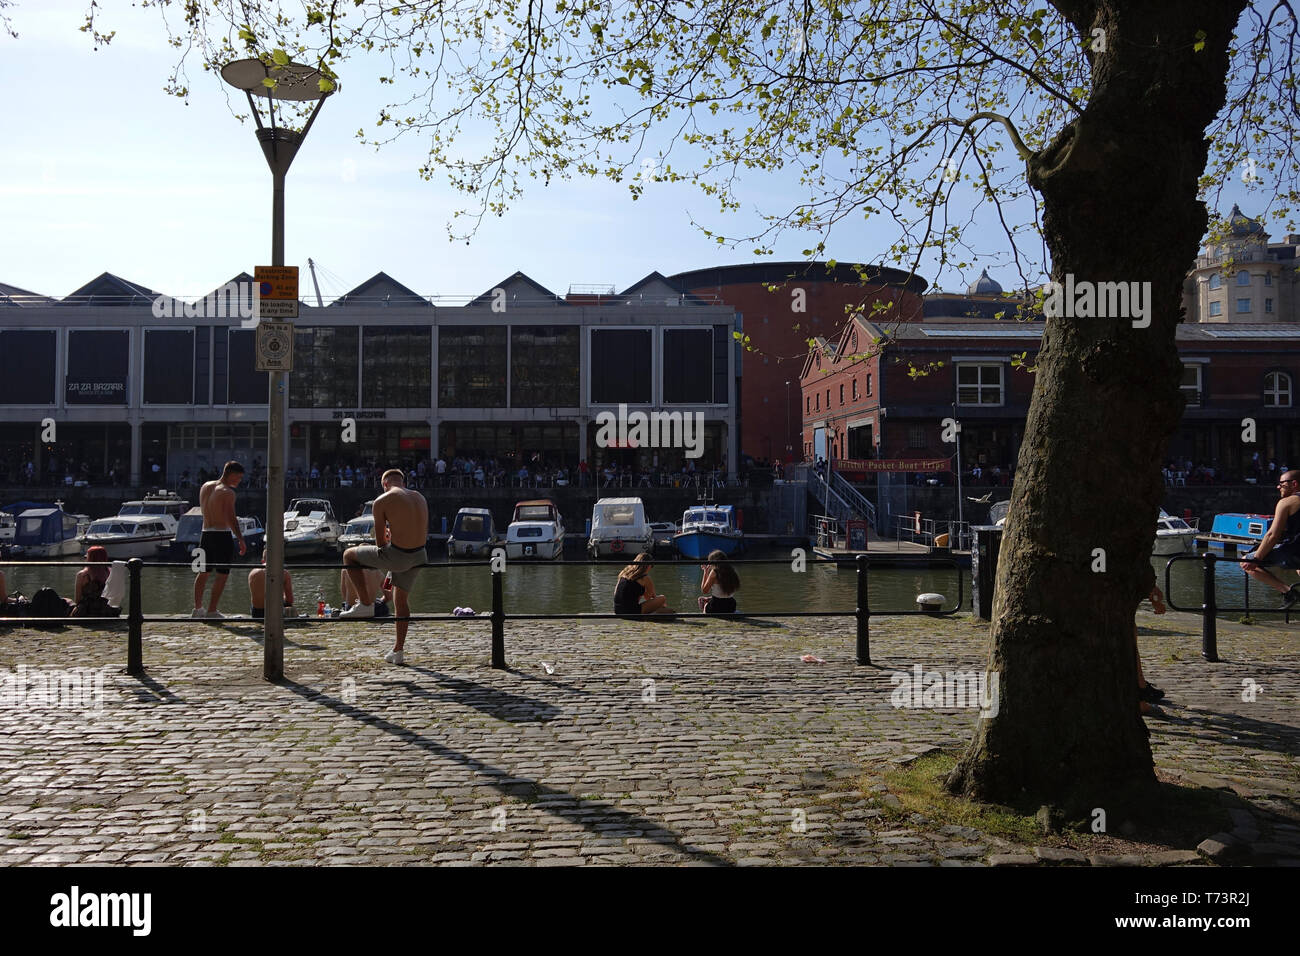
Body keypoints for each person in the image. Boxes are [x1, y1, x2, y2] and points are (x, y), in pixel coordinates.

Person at [340, 469, 429, 665]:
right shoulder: (419, 497)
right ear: (403, 482)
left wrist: (387, 537)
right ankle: (398, 651)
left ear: (384, 484)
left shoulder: (382, 500)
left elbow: (380, 545)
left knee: (348, 556)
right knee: (401, 602)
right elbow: (419, 530)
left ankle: (365, 604)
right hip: (419, 555)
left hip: (399, 556)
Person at [192, 460, 247, 619]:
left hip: (205, 533)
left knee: (203, 572)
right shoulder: (227, 492)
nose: (239, 481)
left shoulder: (205, 486)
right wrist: (241, 539)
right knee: (222, 574)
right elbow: (231, 518)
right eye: (238, 477)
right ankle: (212, 610)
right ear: (231, 474)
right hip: (221, 534)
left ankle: (197, 609)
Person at [1239, 469, 1300, 608]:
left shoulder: (1287, 502)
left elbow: (1272, 535)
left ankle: (1288, 592)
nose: (1278, 487)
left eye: (1282, 483)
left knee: (1244, 562)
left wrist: (1256, 559)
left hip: (1294, 552)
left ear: (1294, 483)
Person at [72, 545, 118, 618]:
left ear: (90, 558)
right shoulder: (110, 573)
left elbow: (78, 600)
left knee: (65, 601)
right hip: (107, 611)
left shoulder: (82, 575)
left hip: (87, 612)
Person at [248, 552, 295, 620]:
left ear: (262, 560)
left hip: (257, 613)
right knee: (289, 606)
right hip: (275, 612)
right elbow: (290, 600)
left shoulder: (252, 572)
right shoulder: (284, 573)